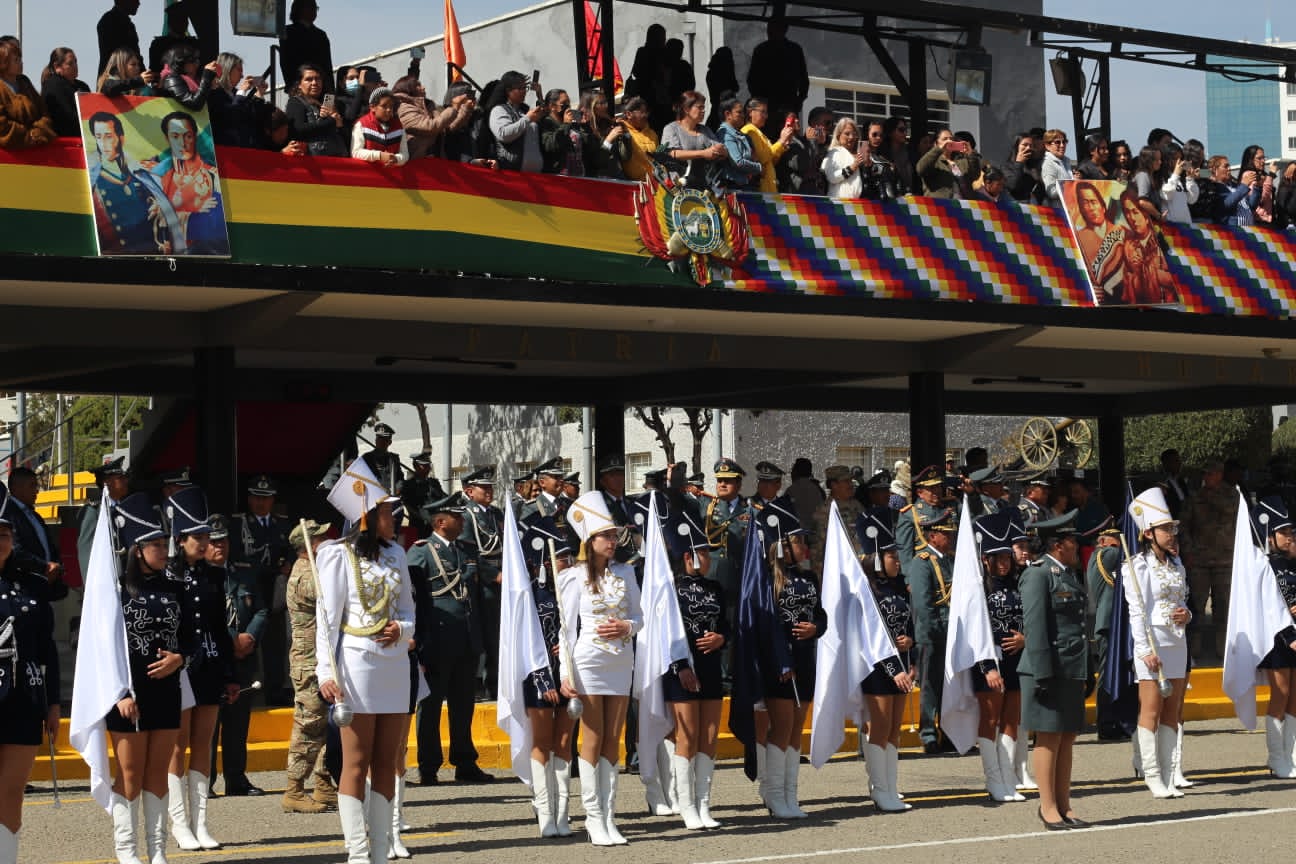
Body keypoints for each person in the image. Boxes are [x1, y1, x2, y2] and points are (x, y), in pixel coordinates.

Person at [315, 462, 415, 864]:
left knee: (387, 763)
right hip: (356, 664)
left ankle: (379, 848)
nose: (395, 518)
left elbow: (409, 608)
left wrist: (402, 631)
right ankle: (358, 852)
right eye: (388, 512)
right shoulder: (336, 555)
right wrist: (326, 671)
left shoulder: (397, 554)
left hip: (394, 665)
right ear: (367, 517)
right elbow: (327, 619)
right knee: (356, 761)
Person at [102, 493, 198, 864]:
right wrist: (119, 691)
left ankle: (157, 851)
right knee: (129, 773)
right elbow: (102, 646)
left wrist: (181, 658)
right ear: (136, 550)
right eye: (155, 545)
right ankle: (127, 852)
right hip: (128, 693)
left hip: (167, 690)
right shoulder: (115, 591)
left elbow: (191, 637)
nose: (163, 550)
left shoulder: (175, 587)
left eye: (164, 543)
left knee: (158, 771)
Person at [556, 492, 644, 846]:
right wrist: (565, 674)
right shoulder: (573, 576)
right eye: (606, 536)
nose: (612, 541)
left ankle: (609, 816)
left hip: (620, 658)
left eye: (614, 535)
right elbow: (565, 628)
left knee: (614, 737)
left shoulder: (626, 573)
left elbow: (640, 616)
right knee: (592, 736)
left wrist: (628, 628)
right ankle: (593, 817)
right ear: (589, 541)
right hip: (588, 659)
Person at [409, 493, 493, 784]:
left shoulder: (464, 549)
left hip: (465, 638)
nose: (462, 521)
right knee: (430, 706)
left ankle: (465, 760)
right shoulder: (421, 552)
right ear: (441, 521)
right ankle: (429, 765)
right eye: (457, 517)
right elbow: (414, 599)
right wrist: (418, 640)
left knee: (463, 703)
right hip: (437, 639)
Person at [1018, 510, 1090, 829]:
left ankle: (1064, 804)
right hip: (1046, 669)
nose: (1077, 546)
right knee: (1048, 738)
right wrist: (1043, 673)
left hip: (1071, 667)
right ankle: (1047, 806)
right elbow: (1035, 627)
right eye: (1073, 541)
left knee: (1067, 737)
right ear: (1059, 544)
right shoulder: (1038, 574)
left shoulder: (1068, 574)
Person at [213, 476, 281, 795]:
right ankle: (205, 781)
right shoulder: (199, 578)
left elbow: (263, 609)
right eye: (213, 542)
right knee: (210, 723)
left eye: (224, 541)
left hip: (244, 653)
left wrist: (249, 638)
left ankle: (236, 779)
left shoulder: (244, 570)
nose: (219, 547)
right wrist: (231, 640)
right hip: (214, 657)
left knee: (239, 720)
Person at [661, 508, 728, 829]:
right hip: (682, 671)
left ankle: (703, 804)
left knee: (710, 736)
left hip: (712, 667)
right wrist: (679, 666)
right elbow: (665, 632)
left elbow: (728, 626)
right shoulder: (670, 587)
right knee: (687, 737)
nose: (709, 558)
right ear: (688, 555)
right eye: (704, 553)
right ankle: (685, 805)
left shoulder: (716, 588)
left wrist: (721, 638)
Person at [758, 499, 825, 820]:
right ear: (783, 545)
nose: (805, 546)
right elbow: (765, 625)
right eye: (799, 540)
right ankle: (774, 796)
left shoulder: (809, 578)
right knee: (781, 726)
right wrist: (779, 659)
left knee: (797, 728)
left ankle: (790, 794)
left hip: (805, 659)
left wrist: (816, 627)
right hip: (779, 664)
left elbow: (822, 616)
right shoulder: (768, 580)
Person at [1122, 486, 1190, 799]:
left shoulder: (1177, 564)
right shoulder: (1136, 566)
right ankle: (1152, 776)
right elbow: (1137, 612)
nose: (1172, 533)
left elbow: (1184, 600)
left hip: (1177, 641)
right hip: (1152, 644)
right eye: (1166, 528)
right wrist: (1145, 651)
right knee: (1151, 710)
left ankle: (1168, 772)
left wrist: (1186, 614)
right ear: (1149, 533)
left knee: (1173, 712)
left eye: (1173, 528)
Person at [0, 514, 61, 864]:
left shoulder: (32, 586)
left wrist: (53, 704)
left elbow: (46, 650)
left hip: (24, 700)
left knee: (12, 791)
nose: (0, 541)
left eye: (5, 534)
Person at [519, 517, 577, 837]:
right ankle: (544, 812)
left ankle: (563, 812)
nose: (567, 564)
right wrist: (543, 680)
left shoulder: (574, 592)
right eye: (561, 558)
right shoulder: (530, 594)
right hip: (539, 676)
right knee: (542, 741)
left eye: (570, 559)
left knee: (565, 742)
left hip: (568, 675)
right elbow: (525, 641)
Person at [857, 512, 916, 812]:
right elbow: (870, 636)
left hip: (902, 668)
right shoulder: (867, 591)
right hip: (878, 670)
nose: (898, 561)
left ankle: (891, 787)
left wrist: (912, 650)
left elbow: (909, 624)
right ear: (878, 559)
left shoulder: (897, 586)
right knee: (879, 727)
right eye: (892, 556)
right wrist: (894, 669)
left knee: (894, 727)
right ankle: (879, 789)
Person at [282, 518, 335, 814]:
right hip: (309, 662)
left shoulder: (315, 569)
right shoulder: (305, 574)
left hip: (322, 659)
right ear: (307, 548)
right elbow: (331, 593)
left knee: (330, 726)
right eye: (321, 540)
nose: (326, 543)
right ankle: (294, 789)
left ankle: (324, 784)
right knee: (309, 725)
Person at [972, 510, 1025, 803]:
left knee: (1011, 719)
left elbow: (1029, 616)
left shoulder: (1019, 582)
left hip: (1017, 657)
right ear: (986, 560)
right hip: (989, 661)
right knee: (990, 718)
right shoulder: (978, 588)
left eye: (1007, 558)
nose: (1004, 565)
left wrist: (1025, 638)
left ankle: (1008, 777)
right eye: (998, 559)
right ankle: (993, 779)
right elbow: (975, 631)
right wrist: (988, 667)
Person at [905, 508, 956, 753]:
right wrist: (934, 631)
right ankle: (928, 734)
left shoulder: (949, 560)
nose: (950, 538)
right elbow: (923, 605)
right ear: (933, 535)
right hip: (931, 634)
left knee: (949, 684)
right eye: (946, 534)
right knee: (930, 685)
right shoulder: (921, 562)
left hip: (951, 633)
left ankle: (947, 730)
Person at [1252, 497, 1296, 778]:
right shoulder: (1264, 564)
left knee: (1295, 697)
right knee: (1280, 694)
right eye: (1285, 532)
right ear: (1270, 536)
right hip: (1278, 637)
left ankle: (1292, 752)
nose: (1290, 537)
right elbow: (1267, 603)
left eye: (1292, 532)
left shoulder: (1293, 562)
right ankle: (1276, 756)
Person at [1179, 461, 1237, 662]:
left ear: (1220, 474)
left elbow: (1242, 526)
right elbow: (1183, 527)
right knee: (1196, 606)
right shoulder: (1194, 497)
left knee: (1224, 607)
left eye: (1212, 473)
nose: (1208, 477)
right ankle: (1194, 651)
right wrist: (1187, 552)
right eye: (1205, 474)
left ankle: (1224, 651)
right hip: (1199, 561)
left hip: (1226, 560)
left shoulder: (1234, 496)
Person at [157, 111, 227, 255]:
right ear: (167, 139)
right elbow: (153, 220)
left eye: (187, 136)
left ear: (194, 136)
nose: (182, 143)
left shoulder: (213, 176)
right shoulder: (159, 178)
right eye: (175, 137)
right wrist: (196, 210)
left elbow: (218, 224)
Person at [460, 468, 504, 699]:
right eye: (483, 487)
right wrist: (493, 574)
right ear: (469, 491)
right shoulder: (466, 515)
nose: (489, 491)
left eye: (490, 486)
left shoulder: (496, 513)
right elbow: (469, 552)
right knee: (483, 632)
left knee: (497, 632)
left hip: (501, 576)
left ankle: (496, 680)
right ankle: (481, 683)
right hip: (482, 582)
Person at [1088, 526, 1134, 741]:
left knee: (1116, 673)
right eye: (1115, 539)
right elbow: (1125, 552)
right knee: (1107, 674)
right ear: (1105, 541)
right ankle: (1106, 723)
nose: (1119, 543)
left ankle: (1117, 719)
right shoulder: (1106, 554)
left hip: (1114, 622)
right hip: (1108, 622)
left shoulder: (1106, 554)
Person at [746, 17, 808, 135]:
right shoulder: (762, 49)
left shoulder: (794, 50)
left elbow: (804, 80)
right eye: (769, 29)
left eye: (774, 29)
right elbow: (752, 80)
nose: (770, 32)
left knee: (788, 139)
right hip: (769, 106)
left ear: (784, 30)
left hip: (786, 104)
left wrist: (798, 102)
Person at [1116, 188, 1175, 306]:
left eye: (1135, 212)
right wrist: (1137, 274)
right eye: (1127, 212)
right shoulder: (1127, 244)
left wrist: (1150, 272)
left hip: (1166, 306)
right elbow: (1127, 287)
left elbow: (1174, 277)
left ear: (1145, 214)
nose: (1131, 218)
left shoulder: (1159, 236)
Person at [394, 74, 466, 161]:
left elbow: (447, 127)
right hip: (416, 163)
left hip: (435, 160)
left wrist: (465, 109)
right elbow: (431, 126)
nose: (423, 87)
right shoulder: (404, 108)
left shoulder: (429, 106)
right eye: (418, 85)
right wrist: (454, 107)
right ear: (408, 89)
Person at [0, 38, 56, 150]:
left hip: (35, 153)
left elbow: (44, 113)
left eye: (20, 59)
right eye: (16, 60)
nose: (21, 63)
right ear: (3, 63)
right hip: (10, 158)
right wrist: (27, 136)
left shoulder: (25, 82)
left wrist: (38, 132)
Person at [660, 91, 727, 183]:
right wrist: (703, 153)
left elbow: (722, 152)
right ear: (686, 109)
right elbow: (672, 153)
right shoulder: (671, 129)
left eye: (704, 107)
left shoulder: (706, 130)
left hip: (704, 188)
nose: (703, 110)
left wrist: (720, 150)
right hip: (679, 188)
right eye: (700, 107)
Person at [206, 52, 269, 149]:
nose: (242, 75)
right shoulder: (214, 93)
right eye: (239, 70)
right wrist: (242, 91)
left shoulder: (236, 94)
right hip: (225, 152)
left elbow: (254, 119)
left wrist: (260, 94)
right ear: (227, 69)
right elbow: (231, 116)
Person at [285, 64, 348, 157]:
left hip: (337, 160)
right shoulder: (295, 102)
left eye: (318, 79)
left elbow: (345, 137)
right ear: (299, 84)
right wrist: (330, 121)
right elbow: (298, 129)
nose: (314, 83)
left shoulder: (328, 103)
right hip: (313, 162)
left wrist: (339, 124)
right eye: (308, 79)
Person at [488, 71, 544, 172]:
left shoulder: (524, 111)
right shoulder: (499, 110)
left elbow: (544, 116)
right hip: (512, 173)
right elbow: (503, 134)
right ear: (508, 91)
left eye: (525, 88)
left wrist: (539, 95)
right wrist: (528, 119)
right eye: (520, 88)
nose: (524, 91)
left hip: (534, 174)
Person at [740, 98, 794, 194]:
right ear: (750, 112)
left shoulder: (759, 133)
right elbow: (761, 158)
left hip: (768, 188)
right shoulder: (748, 131)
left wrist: (781, 145)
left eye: (766, 113)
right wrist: (781, 141)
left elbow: (771, 161)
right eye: (763, 112)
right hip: (759, 190)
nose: (766, 116)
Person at [278, 0, 333, 94]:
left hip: (321, 89)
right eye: (311, 7)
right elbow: (286, 62)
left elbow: (327, 66)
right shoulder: (288, 32)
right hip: (299, 89)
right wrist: (293, 88)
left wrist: (330, 95)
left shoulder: (321, 35)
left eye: (316, 8)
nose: (314, 11)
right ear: (299, 9)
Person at [39, 48, 90, 138]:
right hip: (64, 141)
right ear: (57, 67)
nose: (75, 66)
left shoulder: (82, 86)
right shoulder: (53, 85)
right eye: (70, 63)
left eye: (75, 62)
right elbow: (66, 117)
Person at [916, 128, 980, 200]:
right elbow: (920, 169)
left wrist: (971, 154)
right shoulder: (933, 161)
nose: (949, 141)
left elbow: (975, 175)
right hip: (940, 207)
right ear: (936, 143)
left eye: (951, 139)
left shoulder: (961, 161)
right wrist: (939, 149)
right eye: (945, 139)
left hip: (963, 207)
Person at [351, 87, 408, 165]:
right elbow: (356, 152)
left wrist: (396, 159)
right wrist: (379, 155)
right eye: (384, 106)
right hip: (369, 174)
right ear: (372, 107)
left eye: (391, 106)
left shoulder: (398, 126)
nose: (388, 110)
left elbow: (405, 154)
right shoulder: (362, 125)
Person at [715, 97, 761, 192]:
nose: (743, 116)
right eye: (739, 112)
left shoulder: (741, 135)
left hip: (744, 185)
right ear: (728, 114)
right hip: (734, 187)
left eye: (743, 112)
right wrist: (759, 167)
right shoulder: (725, 134)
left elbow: (754, 156)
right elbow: (738, 162)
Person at [156, 42, 219, 110]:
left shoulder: (194, 79)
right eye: (192, 60)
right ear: (180, 62)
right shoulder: (171, 79)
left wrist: (210, 86)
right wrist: (206, 77)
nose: (197, 63)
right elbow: (195, 104)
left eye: (197, 59)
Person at [615, 96, 660, 181]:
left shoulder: (652, 134)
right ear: (629, 114)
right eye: (642, 112)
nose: (645, 115)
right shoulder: (620, 131)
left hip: (654, 185)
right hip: (631, 186)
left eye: (646, 112)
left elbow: (658, 160)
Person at [97, 0, 142, 76]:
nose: (138, 3)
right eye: (135, 0)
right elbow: (115, 57)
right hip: (116, 80)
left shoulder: (128, 24)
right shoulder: (108, 21)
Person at [1003, 132, 1044, 204]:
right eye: (1025, 145)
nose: (1028, 148)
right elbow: (1013, 186)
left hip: (1036, 209)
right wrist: (1019, 163)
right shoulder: (1007, 167)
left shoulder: (1035, 167)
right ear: (1016, 147)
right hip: (1017, 209)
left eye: (1031, 145)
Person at [703, 47, 738, 131]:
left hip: (717, 106)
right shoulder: (723, 73)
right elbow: (735, 87)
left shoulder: (711, 72)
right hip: (723, 107)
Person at [1039, 129, 1073, 209]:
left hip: (1068, 210)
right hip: (1057, 212)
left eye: (1064, 142)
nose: (1062, 145)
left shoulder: (1065, 161)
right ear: (1047, 146)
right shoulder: (1048, 163)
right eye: (1057, 142)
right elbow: (1051, 192)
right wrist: (1073, 185)